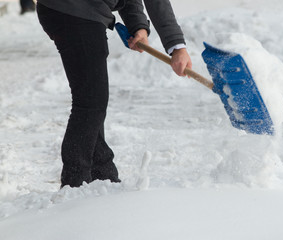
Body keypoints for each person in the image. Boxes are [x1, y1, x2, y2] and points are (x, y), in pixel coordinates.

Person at [36, 0, 192, 188]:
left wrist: (138, 26)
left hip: (73, 10)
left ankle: (103, 175)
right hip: (76, 10)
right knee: (91, 102)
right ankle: (75, 183)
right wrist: (177, 46)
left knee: (92, 100)